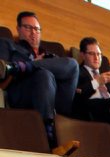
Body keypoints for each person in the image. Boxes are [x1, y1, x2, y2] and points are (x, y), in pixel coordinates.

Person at [0, 11, 79, 142]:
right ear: (18, 29)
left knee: (73, 63)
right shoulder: (7, 45)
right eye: (28, 28)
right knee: (44, 74)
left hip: (56, 100)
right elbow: (1, 72)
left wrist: (36, 63)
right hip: (23, 93)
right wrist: (36, 66)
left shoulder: (50, 56)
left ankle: (21, 66)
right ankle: (47, 133)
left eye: (37, 29)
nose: (33, 33)